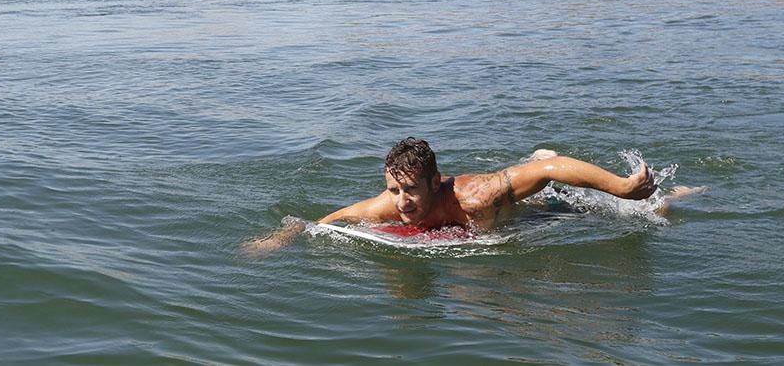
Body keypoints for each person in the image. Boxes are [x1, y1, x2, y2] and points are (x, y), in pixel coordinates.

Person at [244, 136, 661, 255]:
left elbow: (552, 171)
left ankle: (676, 192)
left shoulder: (475, 196)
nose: (401, 201)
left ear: (435, 182)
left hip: (536, 212)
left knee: (631, 210)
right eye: (394, 189)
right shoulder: (389, 204)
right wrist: (286, 234)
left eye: (410, 190)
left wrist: (624, 188)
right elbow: (328, 221)